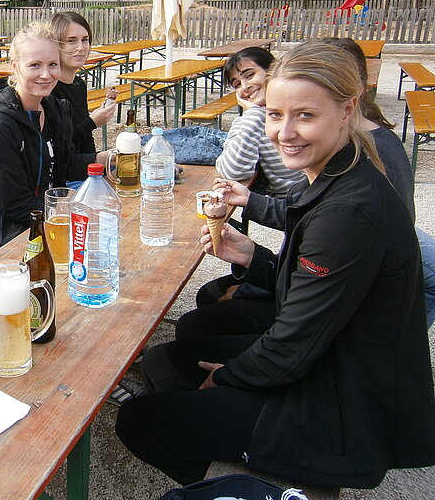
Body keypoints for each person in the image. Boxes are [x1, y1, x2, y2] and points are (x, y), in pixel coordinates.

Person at [116, 42, 435, 488]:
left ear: (347, 110)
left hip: (342, 402)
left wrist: (228, 378)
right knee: (167, 359)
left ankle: (257, 486)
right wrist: (254, 258)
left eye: (305, 116)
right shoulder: (339, 173)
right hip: (326, 361)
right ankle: (223, 447)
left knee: (139, 419)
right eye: (274, 114)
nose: (285, 132)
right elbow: (308, 292)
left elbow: (291, 345)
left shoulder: (348, 211)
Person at [0, 21, 107, 250]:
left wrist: (105, 159)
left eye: (52, 64)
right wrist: (74, 209)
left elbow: (64, 165)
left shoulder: (54, 108)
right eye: (35, 65)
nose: (46, 75)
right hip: (7, 241)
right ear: (15, 66)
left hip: (49, 223)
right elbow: (17, 207)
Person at [215, 46, 305, 196]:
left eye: (250, 75)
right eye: (237, 84)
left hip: (324, 197)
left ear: (273, 70)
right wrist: (255, 114)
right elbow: (232, 172)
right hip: (285, 204)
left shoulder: (302, 109)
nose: (245, 87)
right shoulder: (248, 122)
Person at [48, 11, 117, 155]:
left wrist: (95, 163)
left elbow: (86, 139)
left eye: (85, 40)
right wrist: (92, 122)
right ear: (55, 45)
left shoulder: (79, 85)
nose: (81, 47)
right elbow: (56, 149)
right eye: (71, 41)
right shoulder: (47, 89)